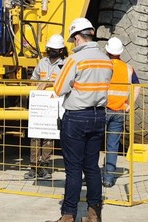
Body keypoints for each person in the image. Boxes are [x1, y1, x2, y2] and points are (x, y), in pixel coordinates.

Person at [48, 18, 113, 222]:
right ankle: (94, 214)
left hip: (76, 118)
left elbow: (59, 89)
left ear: (77, 38)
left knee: (74, 168)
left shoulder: (74, 60)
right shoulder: (105, 59)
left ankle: (68, 215)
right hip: (98, 116)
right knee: (92, 167)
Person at [25, 33, 68, 180]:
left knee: (49, 136)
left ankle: (44, 166)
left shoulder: (66, 64)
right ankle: (33, 167)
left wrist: (48, 84)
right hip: (39, 105)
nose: (52, 51)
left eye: (55, 49)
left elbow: (67, 83)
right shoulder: (42, 63)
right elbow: (33, 79)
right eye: (51, 49)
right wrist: (36, 86)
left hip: (54, 106)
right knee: (35, 136)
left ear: (61, 50)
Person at [102, 36, 140, 188]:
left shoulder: (104, 66)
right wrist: (129, 104)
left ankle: (90, 175)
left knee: (91, 143)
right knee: (112, 145)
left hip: (102, 109)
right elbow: (137, 86)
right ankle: (108, 179)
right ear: (120, 52)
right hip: (119, 110)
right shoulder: (128, 68)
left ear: (107, 50)